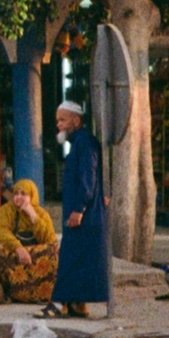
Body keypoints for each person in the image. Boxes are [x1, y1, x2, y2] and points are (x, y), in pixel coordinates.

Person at [36, 100, 109, 320]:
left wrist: (79, 209)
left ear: (75, 121)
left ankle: (58, 303)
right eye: (57, 120)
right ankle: (77, 303)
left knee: (70, 258)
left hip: (84, 214)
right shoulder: (81, 142)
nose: (58, 124)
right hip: (85, 213)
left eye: (62, 119)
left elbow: (88, 178)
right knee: (79, 259)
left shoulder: (84, 143)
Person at [0, 179, 59, 303]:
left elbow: (50, 239)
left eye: (23, 194)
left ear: (32, 196)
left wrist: (33, 216)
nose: (18, 197)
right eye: (16, 194)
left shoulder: (41, 214)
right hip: (15, 254)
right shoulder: (6, 211)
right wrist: (18, 248)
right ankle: (9, 292)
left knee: (53, 250)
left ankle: (42, 293)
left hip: (34, 257)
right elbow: (0, 232)